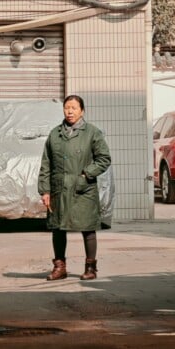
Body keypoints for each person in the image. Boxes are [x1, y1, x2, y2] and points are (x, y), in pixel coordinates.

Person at [38, 94, 111, 281]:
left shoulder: (92, 133)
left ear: (82, 111)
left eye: (74, 108)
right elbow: (46, 163)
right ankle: (59, 267)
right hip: (59, 188)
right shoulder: (55, 134)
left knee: (88, 228)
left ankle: (91, 268)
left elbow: (104, 159)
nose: (69, 111)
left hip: (83, 188)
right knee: (58, 228)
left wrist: (86, 174)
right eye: (67, 107)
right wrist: (45, 190)